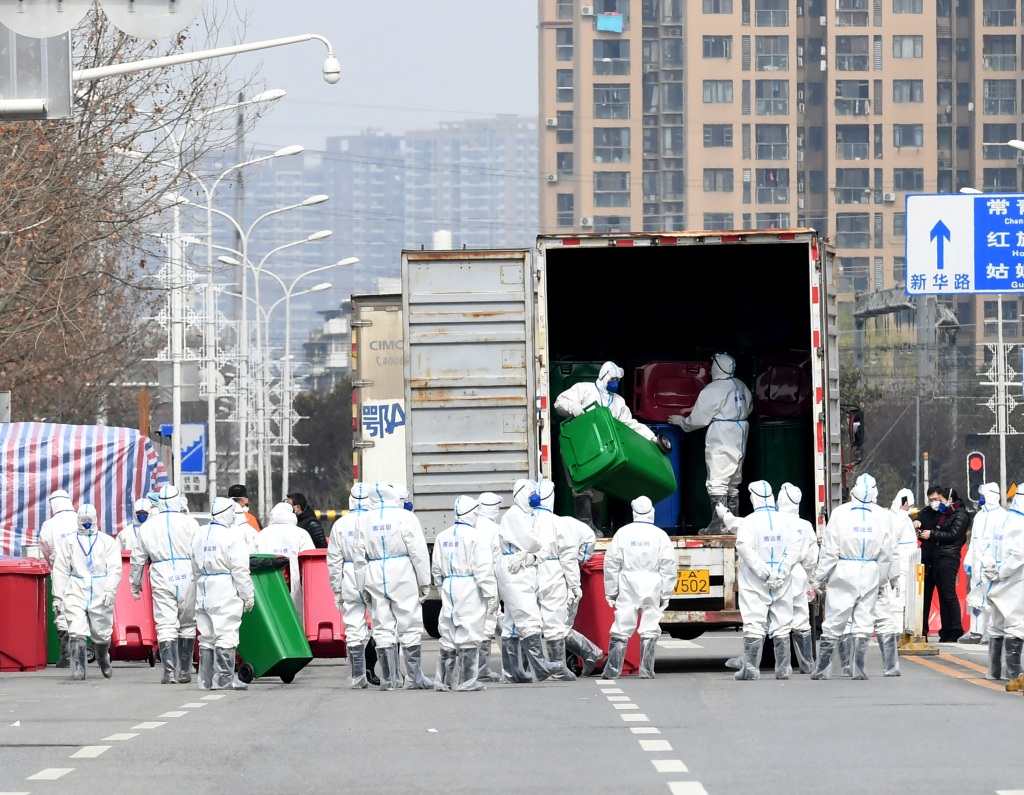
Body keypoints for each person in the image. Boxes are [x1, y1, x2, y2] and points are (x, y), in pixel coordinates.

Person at [554, 361, 657, 532]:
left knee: (600, 487)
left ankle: (597, 525)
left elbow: (629, 425)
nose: (614, 382)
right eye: (612, 379)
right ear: (604, 377)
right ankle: (585, 526)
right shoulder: (584, 389)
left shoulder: (618, 402)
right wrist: (574, 407)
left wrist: (651, 437)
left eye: (617, 379)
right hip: (581, 445)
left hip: (603, 450)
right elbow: (559, 402)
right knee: (582, 484)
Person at [810, 473, 894, 681]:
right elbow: (887, 553)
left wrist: (818, 578)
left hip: (844, 569)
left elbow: (830, 551)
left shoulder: (840, 513)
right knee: (864, 620)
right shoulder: (882, 516)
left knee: (836, 618)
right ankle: (858, 668)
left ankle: (821, 669)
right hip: (870, 570)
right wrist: (882, 580)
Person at [360, 481, 433, 690]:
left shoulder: (364, 520)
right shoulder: (406, 517)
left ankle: (389, 679)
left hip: (374, 573)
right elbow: (418, 552)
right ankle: (414, 678)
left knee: (382, 626)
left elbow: (358, 557)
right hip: (402, 572)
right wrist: (424, 581)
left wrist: (361, 586)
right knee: (409, 624)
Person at [669, 352, 752, 535]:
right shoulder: (740, 385)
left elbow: (698, 419)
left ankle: (719, 524)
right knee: (732, 481)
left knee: (717, 479)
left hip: (722, 435)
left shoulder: (713, 389)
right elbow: (750, 406)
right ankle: (733, 524)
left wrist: (682, 422)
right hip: (740, 432)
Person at [731, 481, 801, 681]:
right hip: (782, 580)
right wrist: (780, 571)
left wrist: (764, 572)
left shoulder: (749, 522)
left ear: (754, 498)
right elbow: (794, 549)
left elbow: (745, 548)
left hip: (755, 580)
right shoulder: (786, 521)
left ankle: (751, 669)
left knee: (754, 621)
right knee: (782, 622)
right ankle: (783, 668)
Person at [602, 496, 676, 680]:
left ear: (633, 512)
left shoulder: (623, 533)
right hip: (652, 581)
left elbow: (611, 563)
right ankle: (646, 670)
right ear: (652, 511)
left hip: (628, 580)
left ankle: (612, 670)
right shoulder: (660, 535)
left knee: (622, 624)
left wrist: (611, 591)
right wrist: (666, 591)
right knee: (650, 625)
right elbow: (668, 565)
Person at [130, 484, 198, 685]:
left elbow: (137, 558)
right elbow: (199, 551)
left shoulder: (148, 526)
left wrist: (135, 583)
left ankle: (169, 671)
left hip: (161, 573)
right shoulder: (190, 523)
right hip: (187, 572)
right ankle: (184, 670)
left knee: (166, 622)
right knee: (187, 622)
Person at [431, 496, 498, 692]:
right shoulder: (476, 537)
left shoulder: (442, 536)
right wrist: (491, 593)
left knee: (449, 632)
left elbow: (436, 568)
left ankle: (443, 680)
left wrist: (441, 585)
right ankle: (467, 681)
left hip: (449, 585)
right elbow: (482, 568)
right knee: (469, 631)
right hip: (469, 586)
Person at [496, 479, 559, 682]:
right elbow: (533, 542)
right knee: (529, 617)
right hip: (515, 570)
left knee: (512, 623)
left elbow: (537, 547)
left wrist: (532, 553)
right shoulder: (514, 515)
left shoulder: (527, 515)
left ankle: (513, 672)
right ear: (522, 493)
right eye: (531, 491)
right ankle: (540, 667)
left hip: (523, 569)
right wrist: (534, 549)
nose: (534, 496)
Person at [51, 504, 122, 680]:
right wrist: (58, 597)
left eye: (89, 520)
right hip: (76, 587)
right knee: (76, 628)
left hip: (100, 588)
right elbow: (60, 570)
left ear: (96, 519)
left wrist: (110, 590)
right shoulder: (70, 542)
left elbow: (115, 568)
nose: (87, 523)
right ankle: (79, 667)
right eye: (83, 520)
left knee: (102, 631)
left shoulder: (107, 541)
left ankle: (103, 658)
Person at [192, 496, 254, 690]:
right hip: (224, 587)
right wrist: (248, 595)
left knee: (207, 635)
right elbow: (240, 570)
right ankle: (225, 679)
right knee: (226, 633)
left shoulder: (199, 533)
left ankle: (205, 679)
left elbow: (193, 563)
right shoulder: (232, 536)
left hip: (203, 586)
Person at [327, 482, 374, 689]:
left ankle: (358, 676)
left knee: (354, 626)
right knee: (384, 625)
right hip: (374, 575)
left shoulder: (340, 524)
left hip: (349, 576)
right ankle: (391, 676)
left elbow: (333, 561)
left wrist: (337, 589)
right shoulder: (375, 521)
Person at [534, 479, 581, 681]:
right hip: (552, 572)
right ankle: (558, 668)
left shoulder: (525, 520)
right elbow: (569, 557)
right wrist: (574, 585)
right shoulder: (558, 523)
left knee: (529, 623)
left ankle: (530, 668)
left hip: (528, 573)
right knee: (554, 621)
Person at [917, 484, 969, 643]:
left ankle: (954, 628)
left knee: (948, 595)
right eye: (932, 500)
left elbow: (954, 534)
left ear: (949, 499)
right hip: (933, 557)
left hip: (947, 557)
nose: (935, 502)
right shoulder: (940, 514)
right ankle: (935, 630)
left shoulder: (957, 515)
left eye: (938, 499)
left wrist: (932, 534)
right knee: (928, 596)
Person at [981, 491, 1024, 684]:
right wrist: (1003, 571)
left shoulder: (1002, 520)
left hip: (996, 580)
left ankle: (993, 670)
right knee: (1016, 624)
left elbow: (988, 547)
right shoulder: (1020, 524)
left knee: (996, 625)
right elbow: (1018, 555)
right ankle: (1013, 673)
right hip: (1014, 580)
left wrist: (992, 568)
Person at [777, 483, 819, 675]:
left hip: (778, 573)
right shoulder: (805, 525)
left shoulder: (774, 521)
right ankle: (807, 664)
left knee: (779, 620)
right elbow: (812, 557)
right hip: (799, 573)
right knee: (801, 619)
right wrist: (810, 580)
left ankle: (783, 666)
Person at [38, 488, 79, 668]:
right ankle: (84, 649)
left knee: (61, 607)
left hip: (60, 571)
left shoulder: (49, 524)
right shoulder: (81, 518)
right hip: (83, 571)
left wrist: (54, 565)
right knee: (83, 607)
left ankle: (66, 654)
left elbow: (45, 548)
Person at [962, 482, 1005, 644]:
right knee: (976, 599)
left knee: (992, 599)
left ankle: (991, 632)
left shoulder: (1002, 516)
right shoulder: (980, 516)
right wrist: (969, 560)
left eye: (984, 495)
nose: (981, 499)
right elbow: (973, 541)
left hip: (992, 565)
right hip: (977, 564)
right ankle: (975, 631)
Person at [256, 501, 315, 610]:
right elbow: (311, 565)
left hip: (267, 586)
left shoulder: (261, 535)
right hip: (296, 589)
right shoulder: (301, 534)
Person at [474, 492, 505, 682]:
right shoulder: (495, 530)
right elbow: (498, 562)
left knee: (480, 623)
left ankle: (479, 669)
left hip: (470, 583)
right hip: (489, 582)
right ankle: (482, 670)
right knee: (489, 623)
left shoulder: (471, 526)